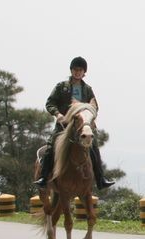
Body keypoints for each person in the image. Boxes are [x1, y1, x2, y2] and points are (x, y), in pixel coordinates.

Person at [35, 56, 115, 189]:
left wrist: (88, 118)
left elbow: (95, 107)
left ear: (84, 72)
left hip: (81, 126)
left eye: (80, 70)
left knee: (94, 148)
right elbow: (50, 103)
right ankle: (44, 177)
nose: (78, 72)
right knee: (51, 146)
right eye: (75, 69)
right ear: (71, 70)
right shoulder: (61, 87)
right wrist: (58, 114)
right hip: (63, 124)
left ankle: (101, 179)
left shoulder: (88, 89)